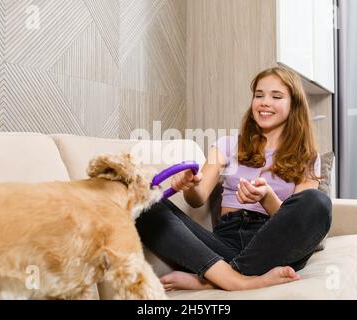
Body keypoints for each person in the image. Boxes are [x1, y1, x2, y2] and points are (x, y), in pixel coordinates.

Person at [135, 66, 332, 291]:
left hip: (273, 247)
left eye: (276, 96)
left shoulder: (307, 157)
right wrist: (189, 184)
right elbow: (197, 199)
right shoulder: (228, 145)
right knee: (141, 201)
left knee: (317, 202)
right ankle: (236, 278)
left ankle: (215, 279)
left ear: (294, 105)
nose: (265, 102)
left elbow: (296, 225)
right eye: (259, 95)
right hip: (223, 243)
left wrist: (267, 198)